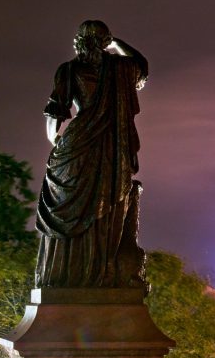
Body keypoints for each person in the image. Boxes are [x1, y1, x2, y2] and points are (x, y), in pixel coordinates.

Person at [36, 19, 148, 288]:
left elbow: (56, 110)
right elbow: (142, 65)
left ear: (78, 42)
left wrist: (55, 141)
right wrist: (117, 43)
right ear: (104, 41)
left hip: (80, 143)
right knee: (107, 204)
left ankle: (66, 273)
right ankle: (102, 271)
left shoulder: (70, 69)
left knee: (70, 199)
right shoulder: (121, 67)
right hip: (114, 145)